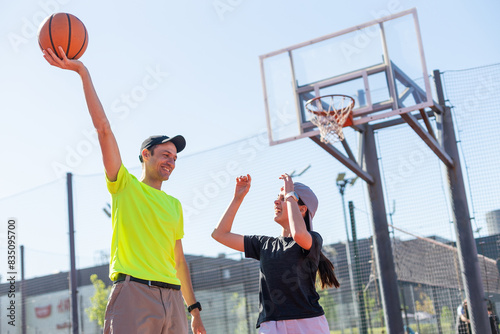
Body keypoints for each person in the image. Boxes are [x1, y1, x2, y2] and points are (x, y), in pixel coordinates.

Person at [43, 46, 206, 334]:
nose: (171, 160)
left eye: (175, 157)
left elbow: (179, 260)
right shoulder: (124, 185)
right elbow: (103, 129)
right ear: (146, 154)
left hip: (172, 298)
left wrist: (193, 309)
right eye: (166, 154)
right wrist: (83, 73)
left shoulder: (174, 205)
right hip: (134, 295)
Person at [212, 173, 340, 333]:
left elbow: (299, 234)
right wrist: (238, 198)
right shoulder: (264, 244)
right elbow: (220, 234)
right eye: (279, 197)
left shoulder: (313, 240)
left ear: (302, 210)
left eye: (283, 198)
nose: (276, 201)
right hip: (271, 325)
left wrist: (290, 194)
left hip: (308, 322)